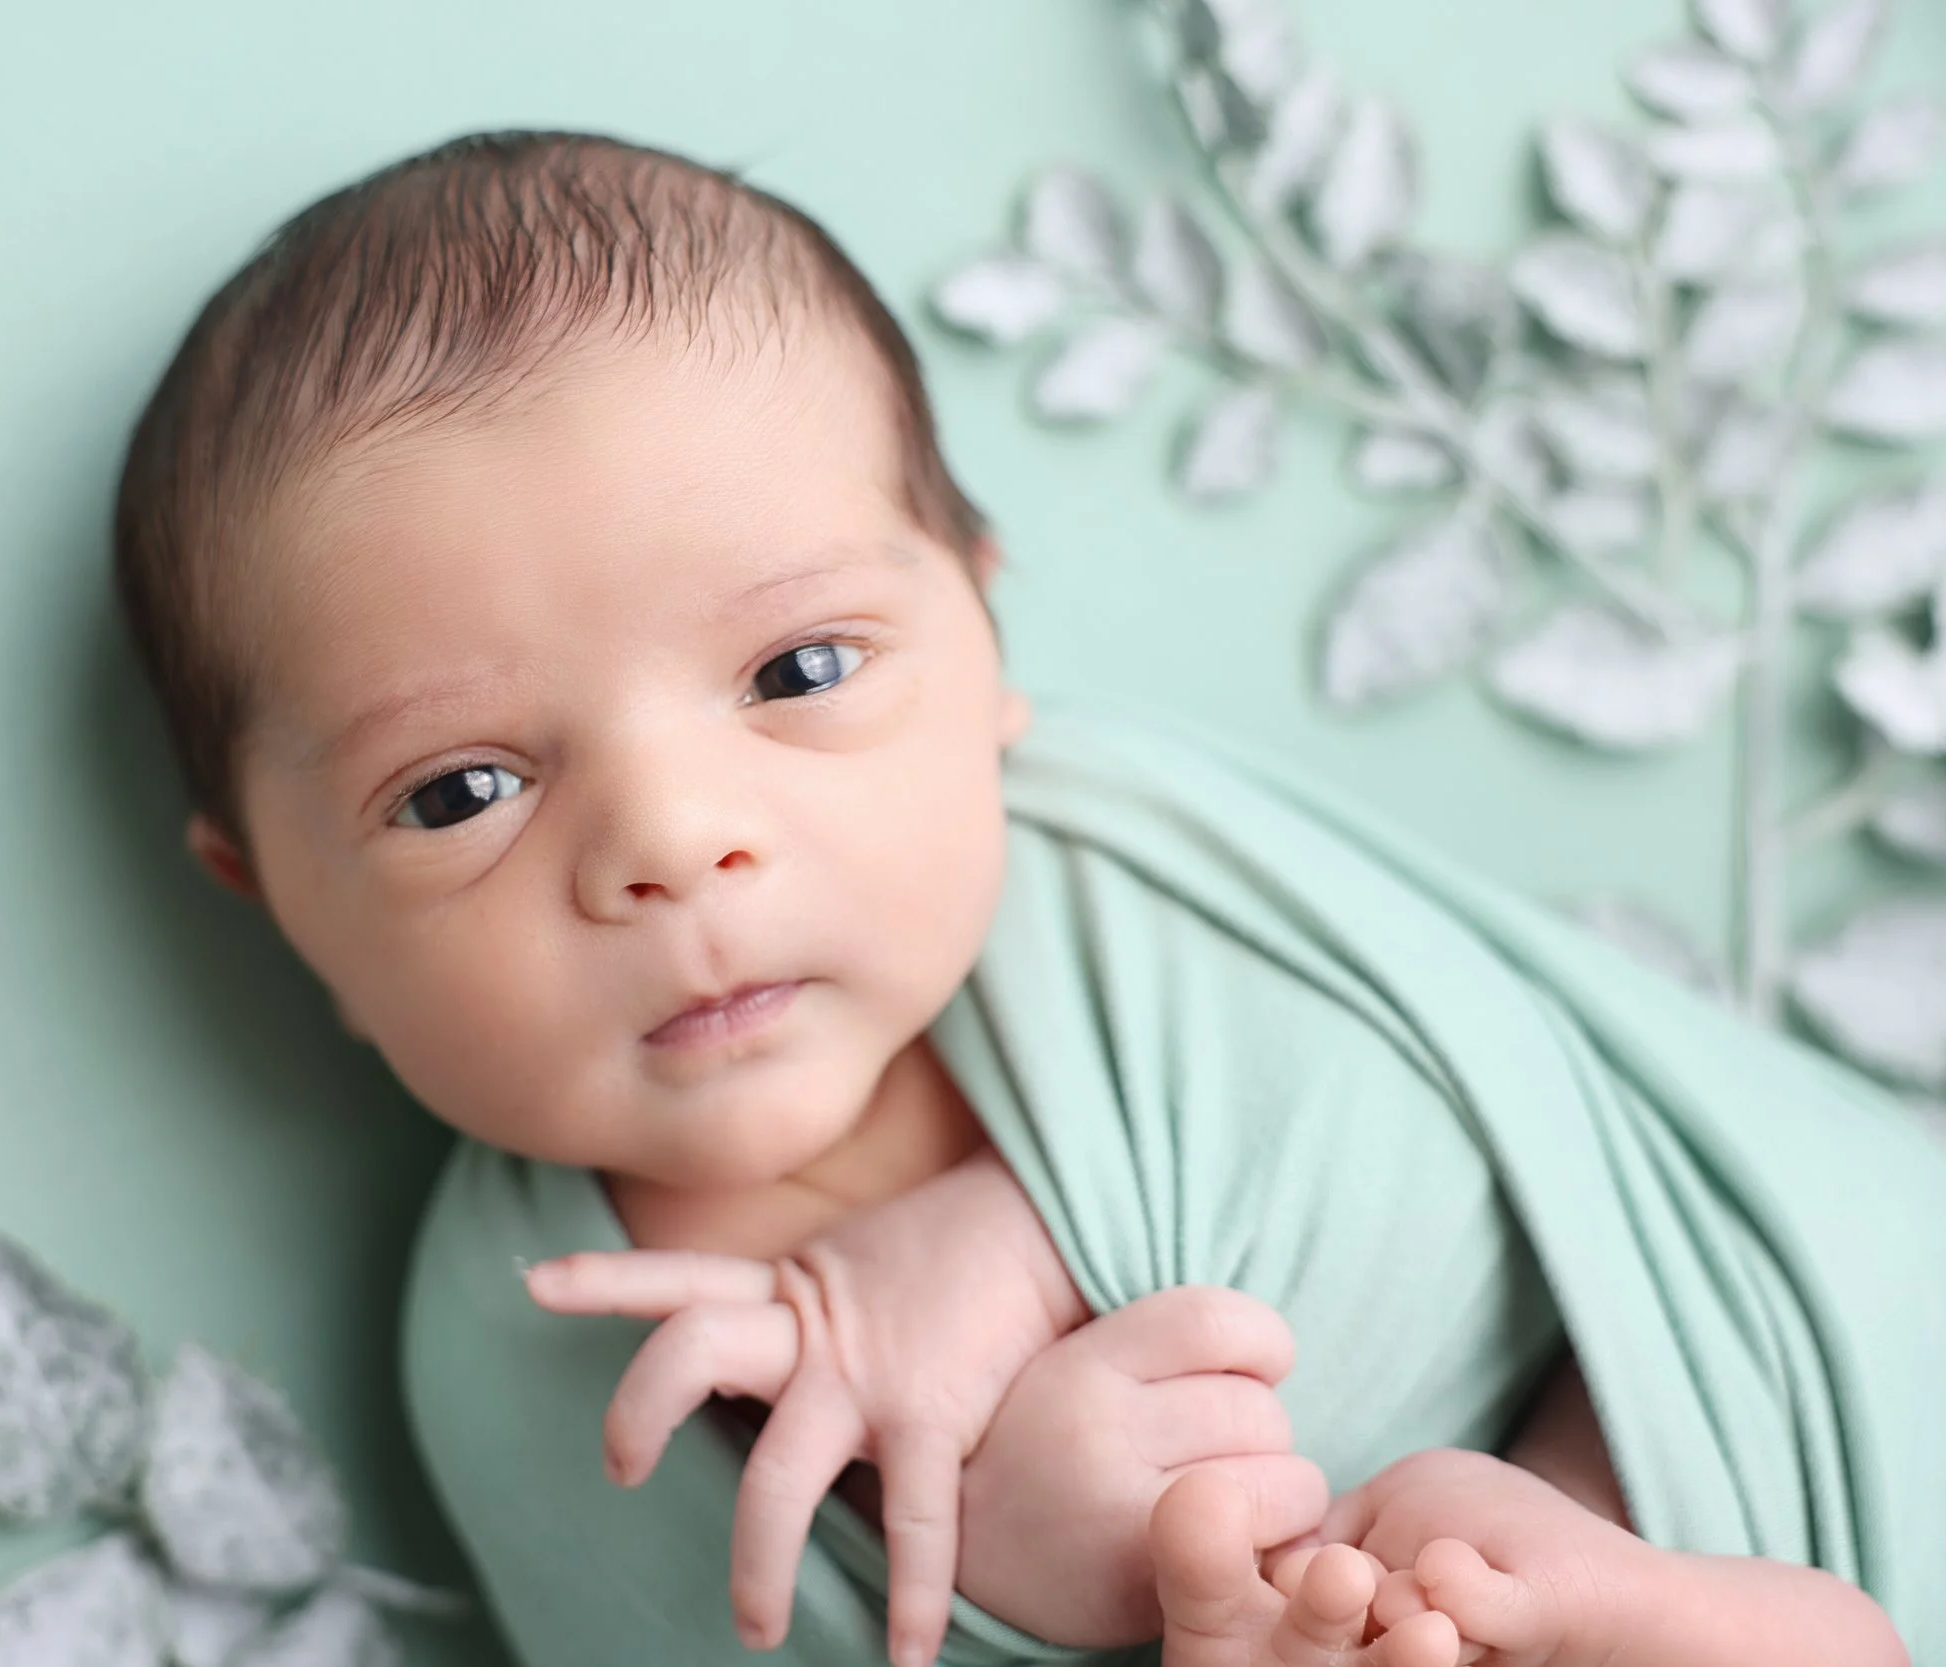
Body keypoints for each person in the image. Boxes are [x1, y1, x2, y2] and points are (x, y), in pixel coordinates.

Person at [109, 129, 1938, 1667]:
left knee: (1582, 1471)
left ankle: (1678, 1597)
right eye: (462, 791)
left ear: (984, 639)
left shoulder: (1122, 857)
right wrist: (1009, 1567)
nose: (674, 843)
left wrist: (1015, 1247)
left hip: (1683, 1441)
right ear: (272, 898)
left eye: (802, 671)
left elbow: (1502, 1166)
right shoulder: (522, 1345)